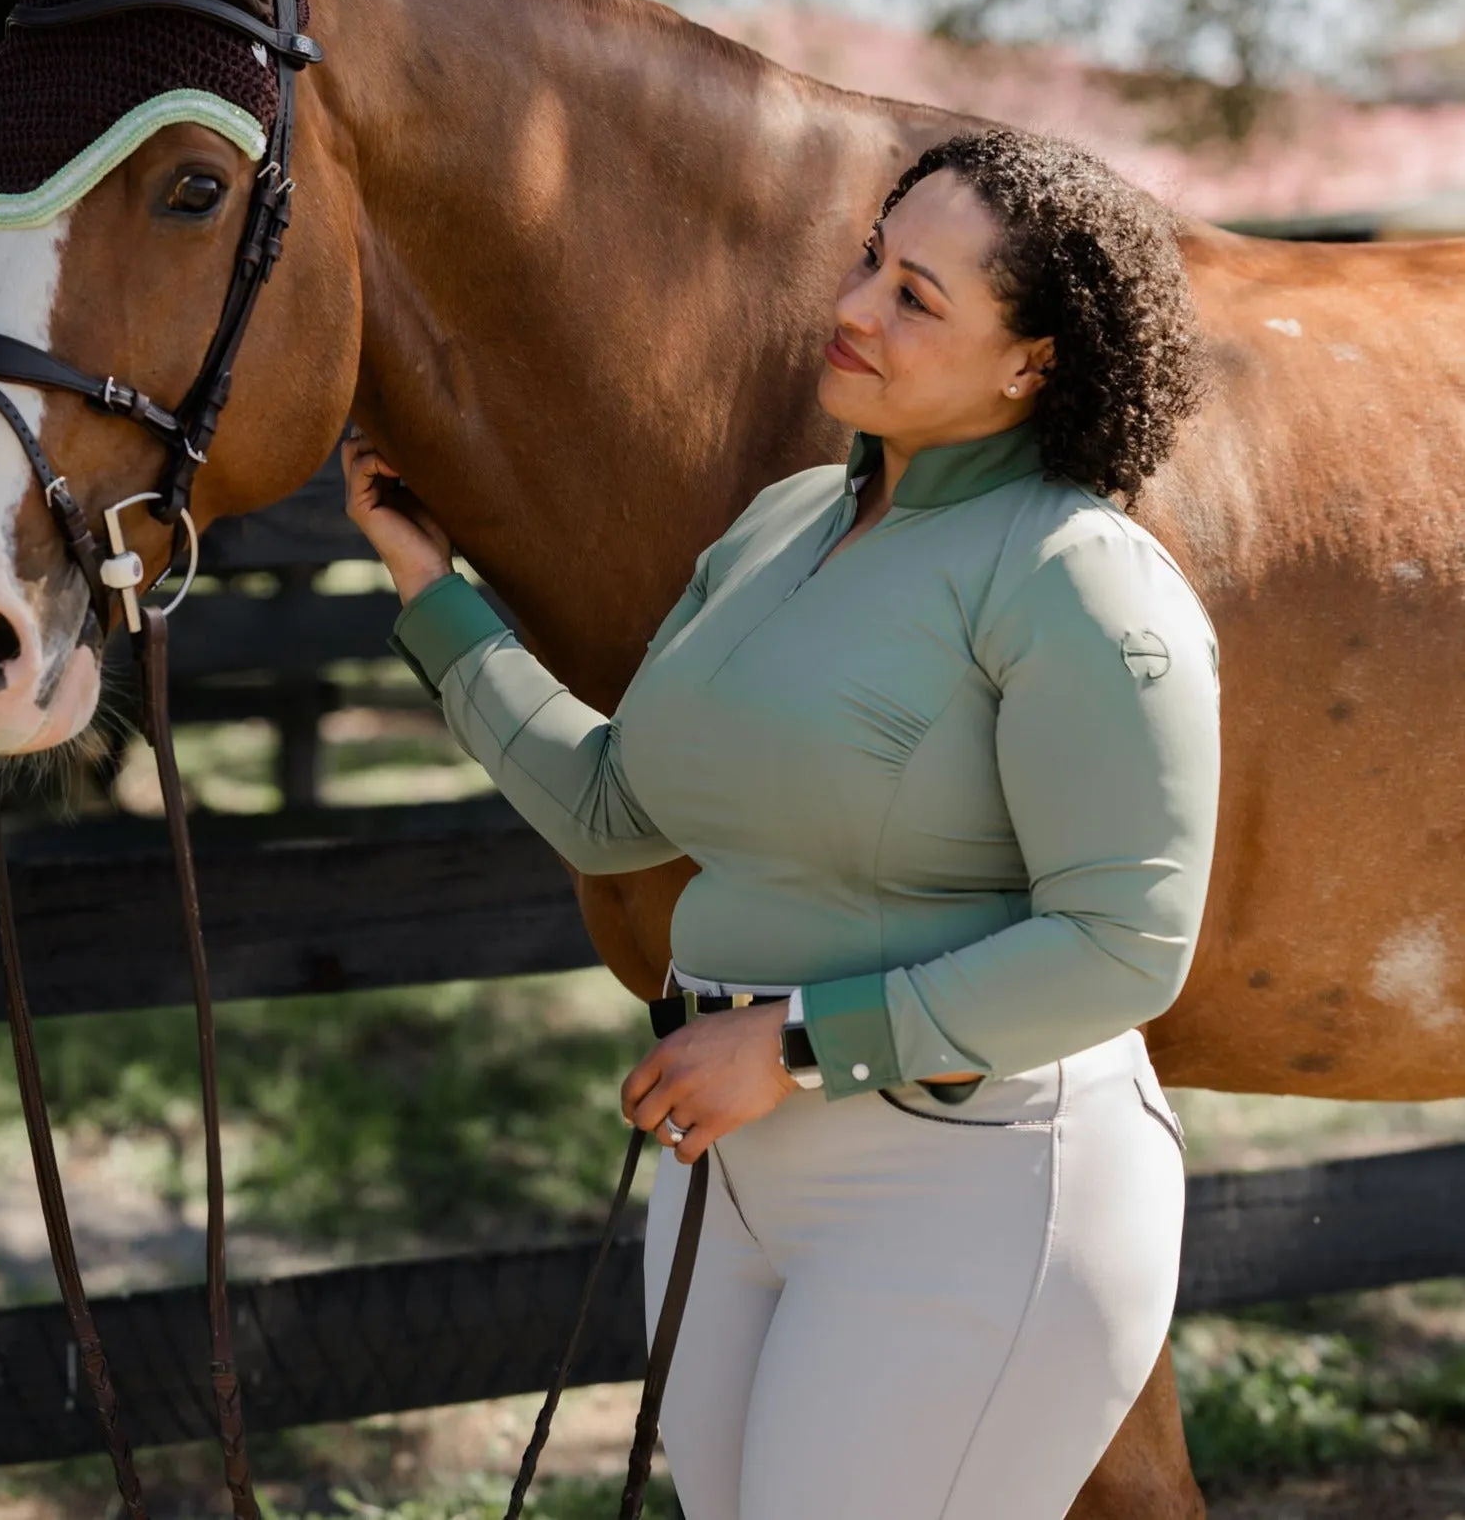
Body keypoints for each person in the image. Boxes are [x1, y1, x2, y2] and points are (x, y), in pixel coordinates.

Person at [341, 127, 1220, 1520]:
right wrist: (428, 591)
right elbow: (616, 804)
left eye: (918, 296)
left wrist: (799, 1045)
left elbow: (1126, 946)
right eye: (872, 257)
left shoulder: (1080, 577)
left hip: (972, 1183)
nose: (856, 303)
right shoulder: (782, 525)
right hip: (730, 1179)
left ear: (1031, 363)